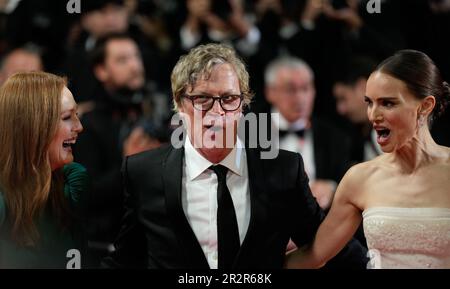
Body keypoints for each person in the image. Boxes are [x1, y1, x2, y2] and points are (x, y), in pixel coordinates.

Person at [102, 43, 367, 269]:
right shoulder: (143, 172)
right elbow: (126, 259)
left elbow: (328, 243)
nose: (217, 112)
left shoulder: (284, 169)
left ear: (243, 105)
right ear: (180, 103)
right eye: (202, 98)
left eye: (229, 98)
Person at [286, 49, 450, 269]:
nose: (373, 115)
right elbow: (313, 255)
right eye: (369, 103)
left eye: (388, 103)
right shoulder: (359, 178)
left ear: (425, 106)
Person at [0, 71, 89, 268]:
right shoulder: (3, 200)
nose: (79, 127)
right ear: (32, 127)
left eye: (77, 115)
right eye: (67, 117)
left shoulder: (69, 186)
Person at [265, 56, 353, 210]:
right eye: (290, 90)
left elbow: (350, 181)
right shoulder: (251, 130)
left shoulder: (334, 136)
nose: (300, 98)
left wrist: (332, 188)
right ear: (270, 92)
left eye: (306, 88)